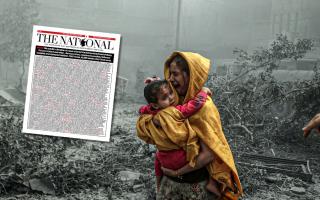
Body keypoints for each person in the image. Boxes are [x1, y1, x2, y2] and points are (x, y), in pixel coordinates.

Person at [137, 52, 242, 200]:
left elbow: (209, 155)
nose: (171, 79)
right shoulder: (176, 101)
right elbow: (146, 125)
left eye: (175, 74)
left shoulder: (204, 108)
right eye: (170, 74)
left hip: (195, 186)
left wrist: (176, 172)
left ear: (190, 75)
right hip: (170, 184)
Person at [139, 79, 221, 197]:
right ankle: (212, 183)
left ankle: (158, 185)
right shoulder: (174, 111)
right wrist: (203, 92)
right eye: (165, 97)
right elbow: (194, 105)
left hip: (165, 160)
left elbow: (143, 109)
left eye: (171, 93)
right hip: (181, 162)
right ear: (155, 104)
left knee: (158, 157)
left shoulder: (152, 112)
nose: (171, 98)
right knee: (205, 150)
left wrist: (154, 84)